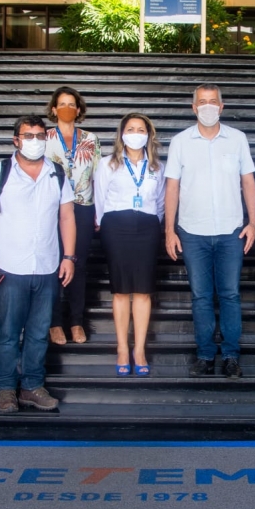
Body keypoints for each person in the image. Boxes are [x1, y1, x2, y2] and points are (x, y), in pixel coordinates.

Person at [0, 115, 76, 413]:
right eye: (28, 136)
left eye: (40, 135)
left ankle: (32, 385)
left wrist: (69, 257)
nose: (34, 141)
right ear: (16, 140)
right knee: (8, 331)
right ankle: (7, 388)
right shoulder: (0, 171)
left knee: (38, 330)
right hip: (8, 267)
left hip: (46, 266)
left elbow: (66, 217)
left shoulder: (57, 173)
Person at [164, 84, 255, 379]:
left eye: (212, 102)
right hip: (192, 231)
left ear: (222, 106)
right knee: (201, 296)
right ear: (193, 108)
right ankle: (205, 355)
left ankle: (231, 355)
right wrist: (169, 229)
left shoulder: (237, 139)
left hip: (231, 231)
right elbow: (172, 187)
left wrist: (253, 222)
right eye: (201, 102)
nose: (207, 106)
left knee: (230, 295)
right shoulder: (180, 142)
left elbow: (248, 182)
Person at [94, 113, 165, 377]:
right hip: (115, 226)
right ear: (122, 133)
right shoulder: (107, 164)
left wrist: (151, 223)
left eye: (141, 129)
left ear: (149, 134)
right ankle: (123, 348)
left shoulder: (158, 167)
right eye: (131, 128)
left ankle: (140, 350)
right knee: (121, 290)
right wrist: (107, 224)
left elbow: (160, 203)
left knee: (144, 291)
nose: (136, 133)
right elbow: (100, 200)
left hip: (147, 227)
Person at [45, 86, 102, 346]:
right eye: (62, 104)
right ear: (54, 109)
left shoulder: (90, 138)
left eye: (72, 104)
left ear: (78, 109)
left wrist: (99, 212)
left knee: (77, 264)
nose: (67, 108)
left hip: (82, 206)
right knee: (53, 263)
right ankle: (55, 322)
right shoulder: (43, 138)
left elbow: (99, 177)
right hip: (51, 209)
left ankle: (76, 321)